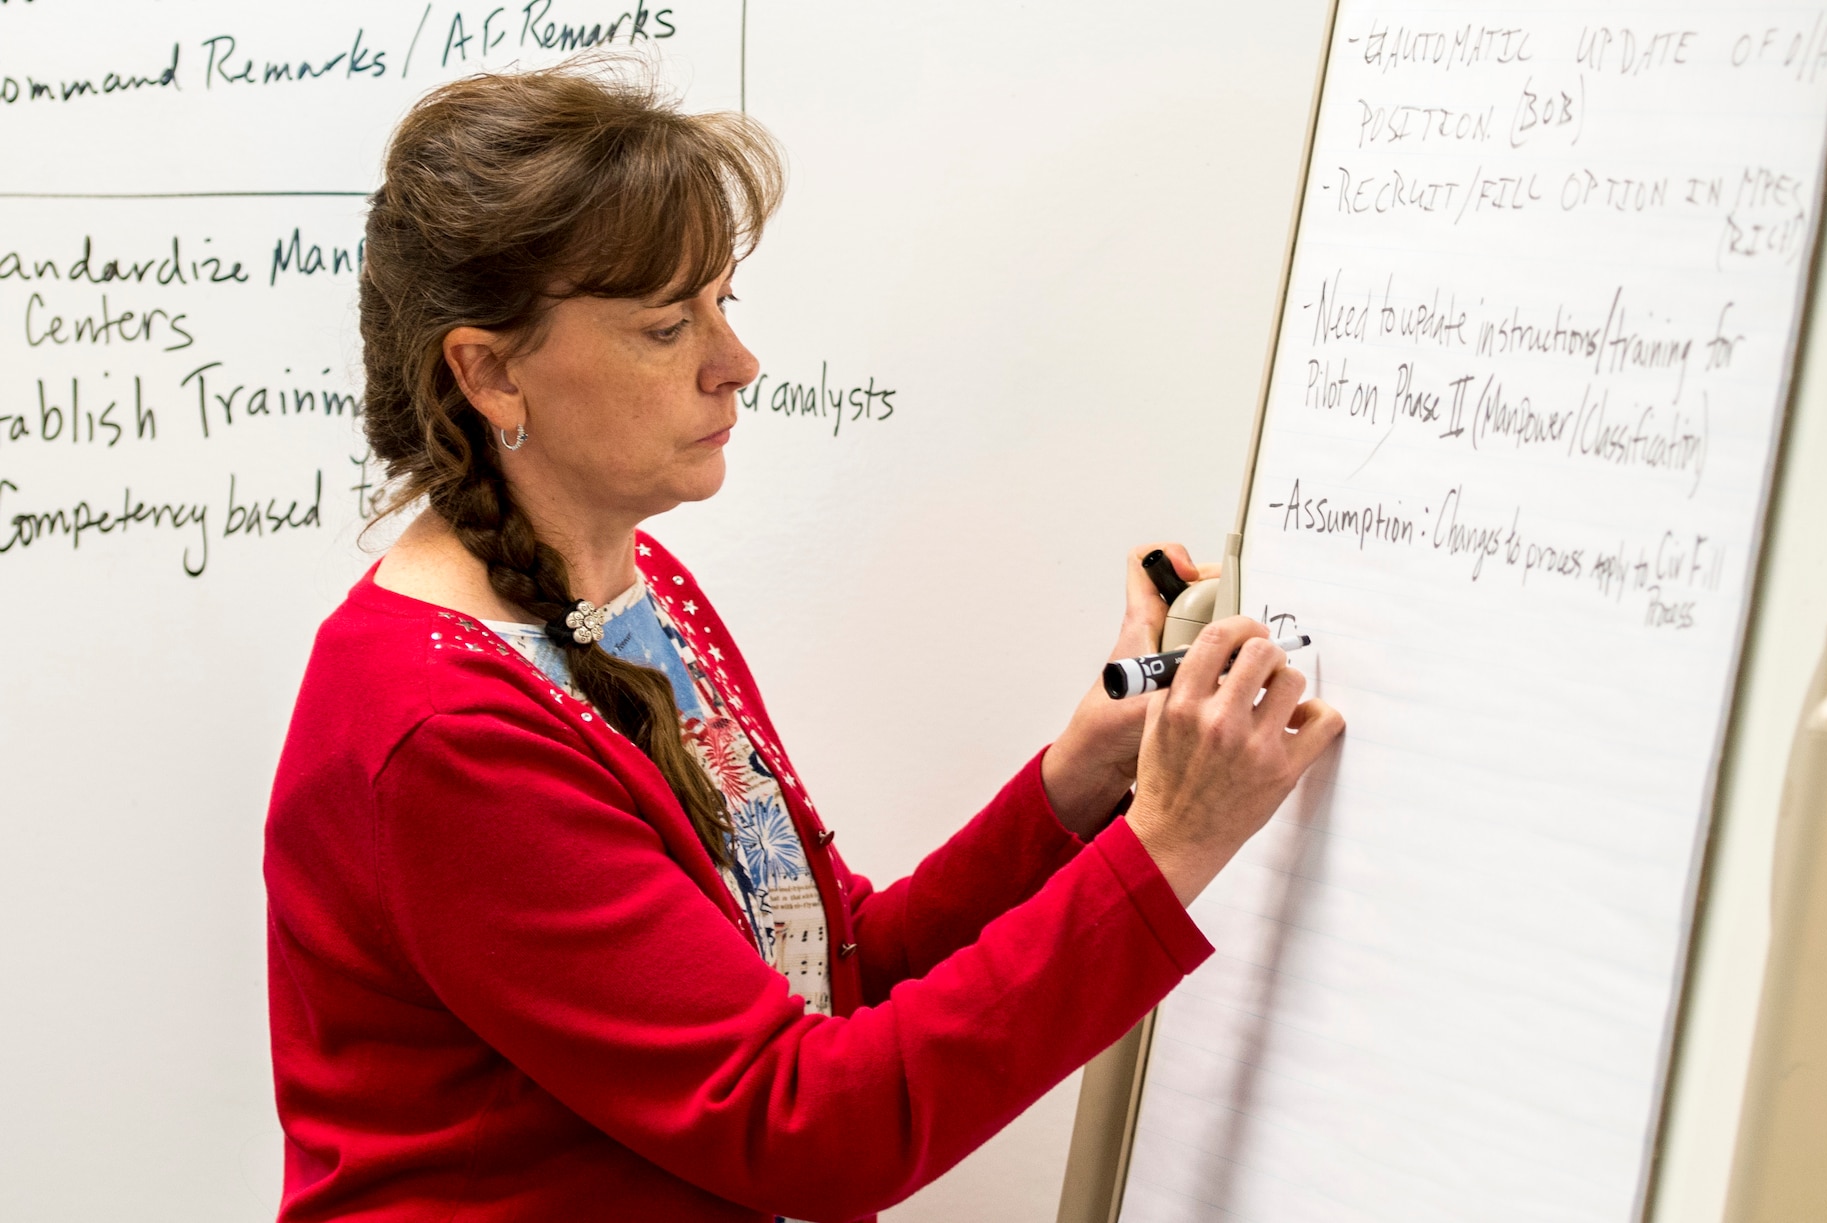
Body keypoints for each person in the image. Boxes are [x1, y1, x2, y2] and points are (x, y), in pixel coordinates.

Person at [264, 60, 1344, 1223]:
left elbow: (827, 974)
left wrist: (1079, 784)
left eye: (725, 304)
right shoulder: (439, 734)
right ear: (486, 369)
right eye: (668, 323)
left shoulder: (633, 590)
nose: (735, 362)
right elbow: (807, 1122)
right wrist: (1169, 849)